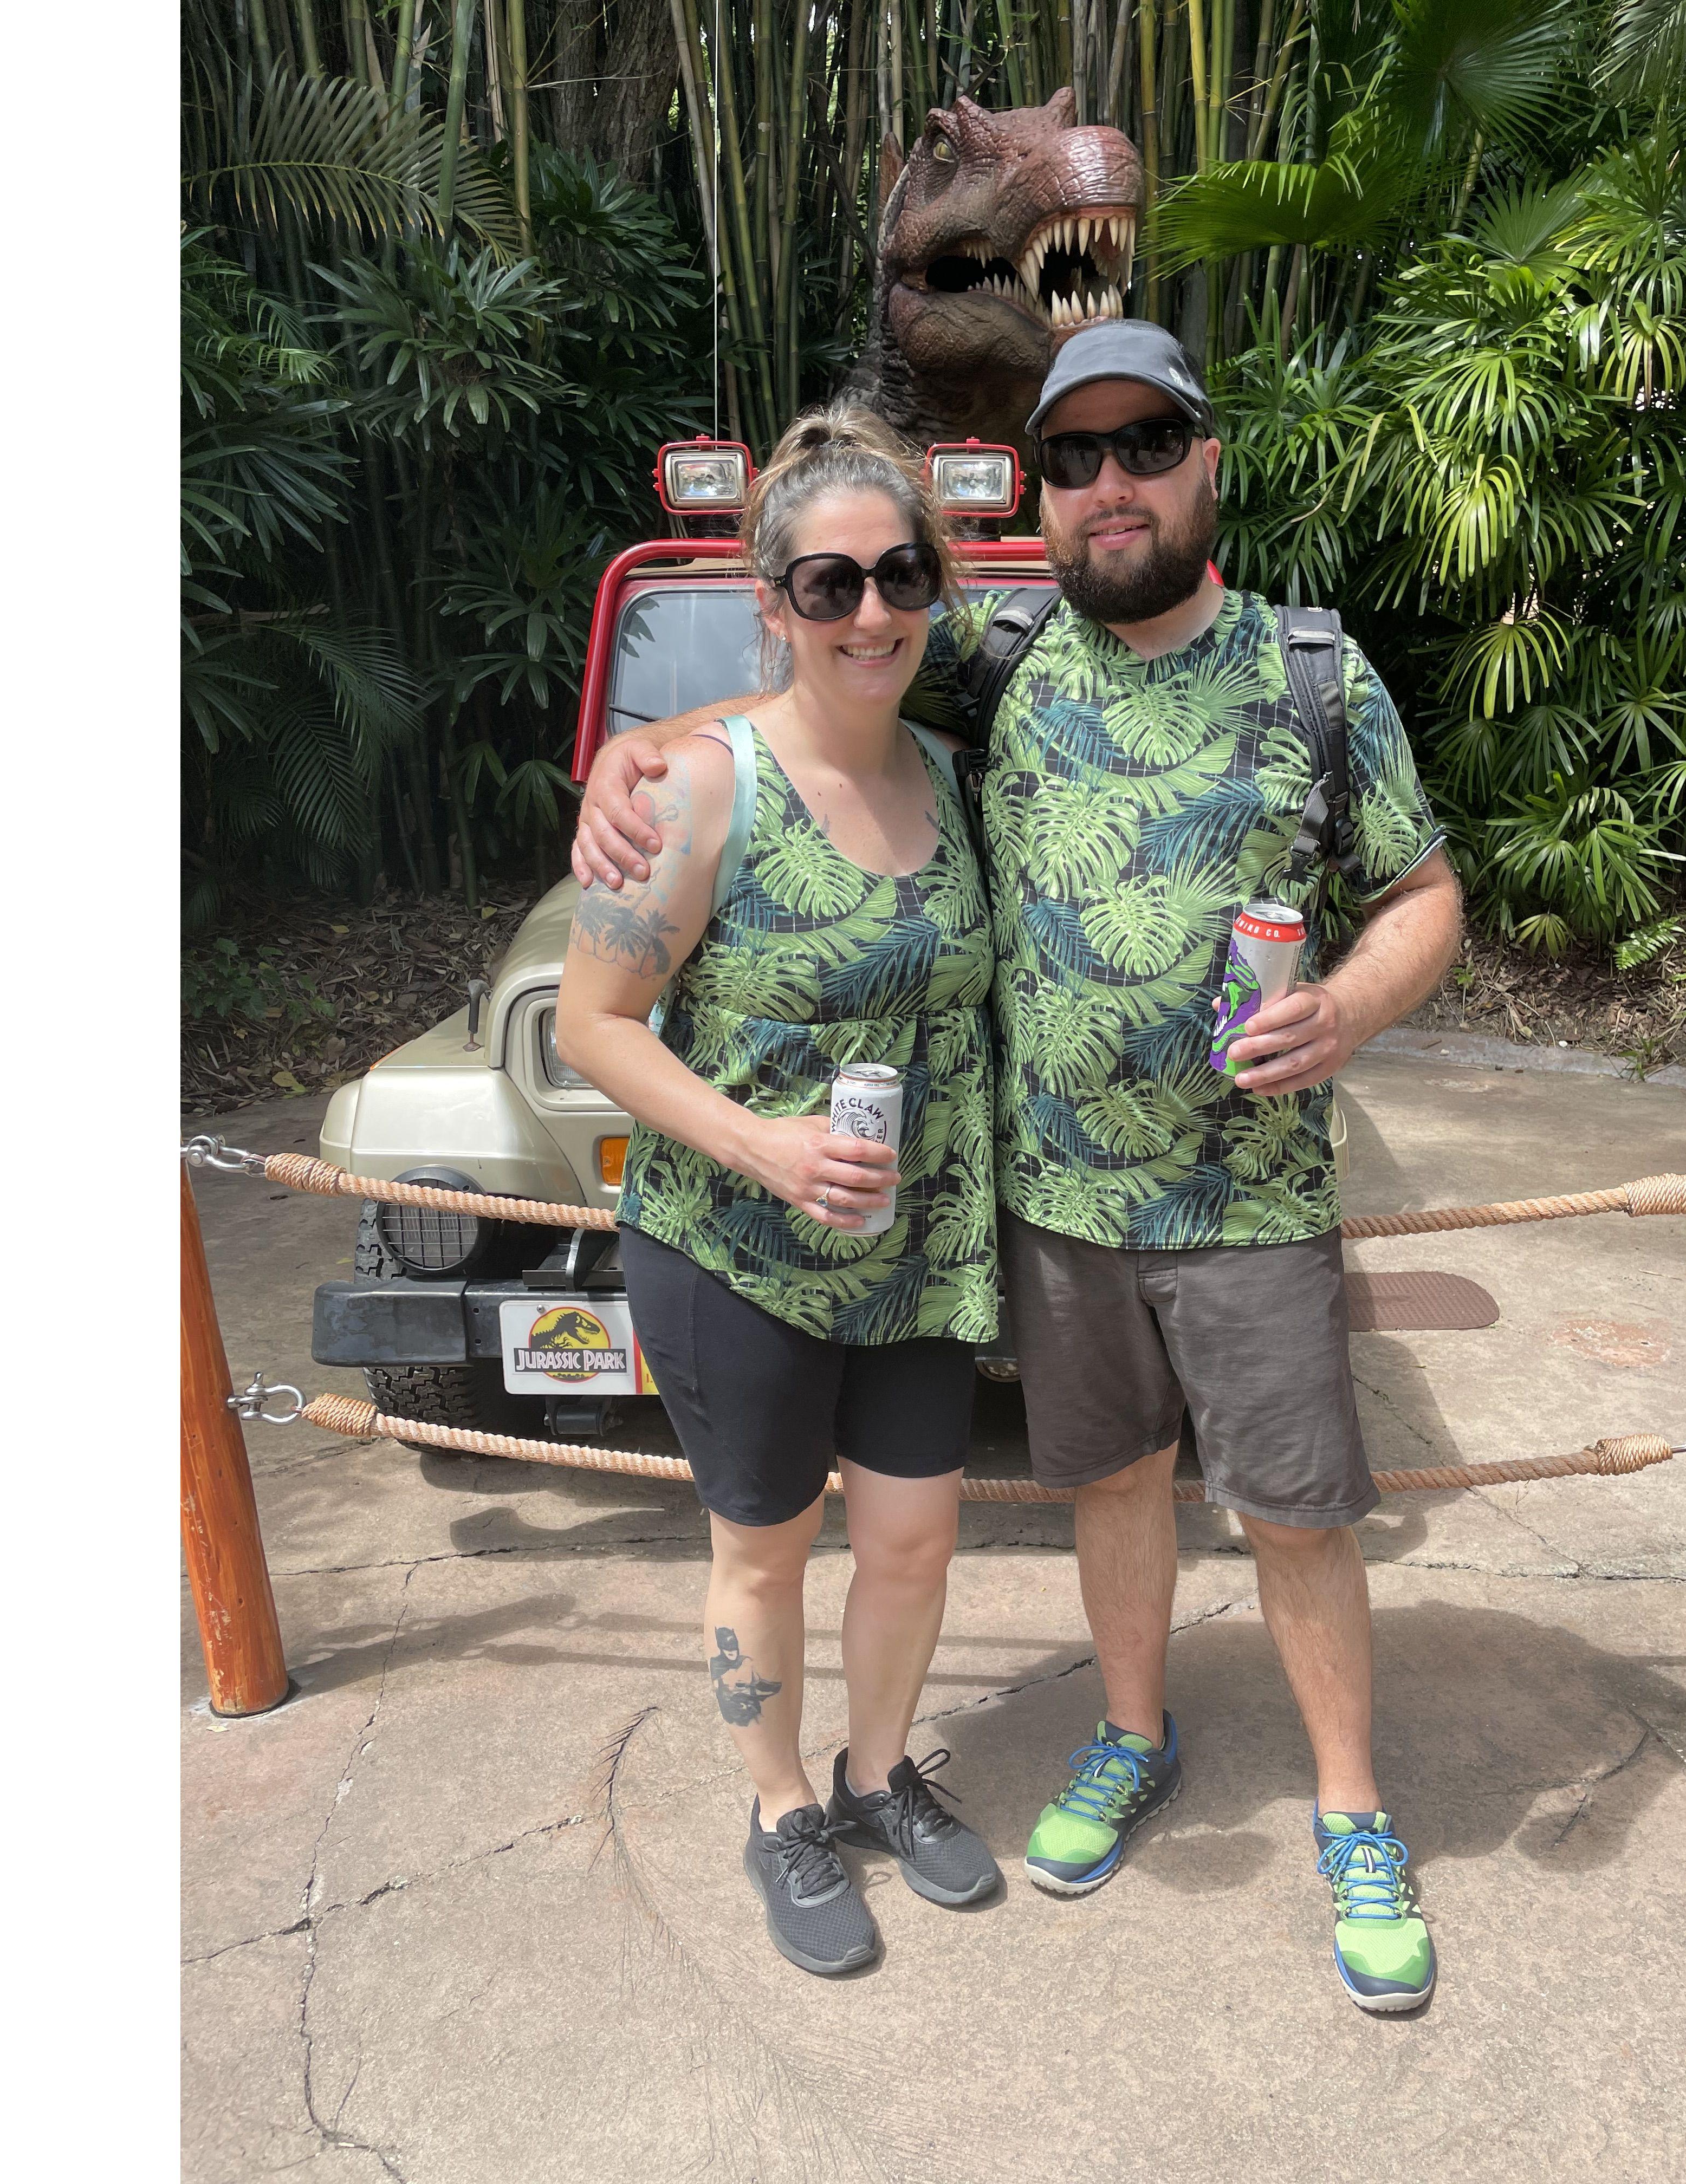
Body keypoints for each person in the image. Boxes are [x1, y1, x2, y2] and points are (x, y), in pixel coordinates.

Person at [574, 324, 1465, 2016]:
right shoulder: (1015, 660)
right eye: (1075, 458)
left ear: (1210, 462)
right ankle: (1129, 1737)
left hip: (1251, 1200)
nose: (1110, 484)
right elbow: (821, 671)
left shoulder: (1313, 677)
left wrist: (1346, 1001)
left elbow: (1427, 894)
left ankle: (1353, 1809)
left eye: (1146, 447)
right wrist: (635, 766)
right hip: (1050, 1208)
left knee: (1294, 1512)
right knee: (1109, 1485)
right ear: (1044, 494)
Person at [554, 400, 1004, 1980]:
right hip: (736, 1239)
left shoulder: (963, 779)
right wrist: (762, 1145)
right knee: (765, 1550)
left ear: (932, 590)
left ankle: (880, 1774)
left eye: (897, 579)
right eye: (829, 586)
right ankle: (777, 1811)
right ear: (777, 603)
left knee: (913, 1542)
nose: (869, 613)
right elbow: (588, 1028)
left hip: (919, 1238)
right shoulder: (696, 789)